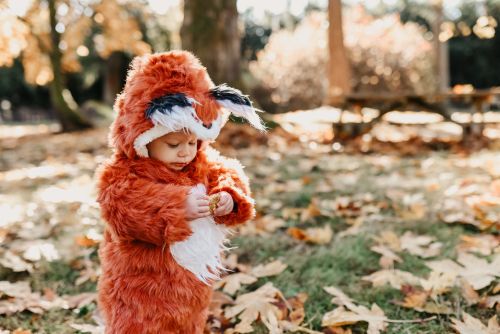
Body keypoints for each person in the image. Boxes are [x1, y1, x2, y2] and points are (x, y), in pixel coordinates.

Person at [96, 50, 265, 333]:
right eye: (173, 144)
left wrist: (227, 196)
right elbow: (122, 206)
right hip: (142, 288)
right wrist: (176, 207)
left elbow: (229, 174)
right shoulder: (126, 172)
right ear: (143, 139)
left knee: (189, 321)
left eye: (193, 142)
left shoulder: (200, 162)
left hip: (191, 287)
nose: (185, 152)